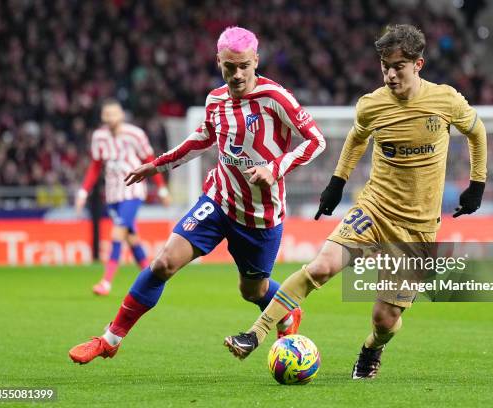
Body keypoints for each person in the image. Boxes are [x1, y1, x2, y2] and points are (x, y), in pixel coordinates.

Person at [224, 24, 488, 380]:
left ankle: (372, 349)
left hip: (416, 228)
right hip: (374, 209)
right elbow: (355, 139)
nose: (390, 75)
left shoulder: (446, 100)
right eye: (385, 66)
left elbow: (477, 131)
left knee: (385, 321)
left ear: (418, 64)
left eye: (399, 67)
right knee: (320, 267)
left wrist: (477, 182)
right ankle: (254, 334)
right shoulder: (371, 105)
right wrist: (337, 183)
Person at [69, 26, 326, 364]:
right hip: (218, 201)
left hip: (259, 216)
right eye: (229, 67)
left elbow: (316, 140)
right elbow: (201, 139)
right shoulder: (215, 100)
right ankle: (109, 339)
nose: (237, 74)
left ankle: (288, 313)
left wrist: (275, 168)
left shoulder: (275, 98)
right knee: (163, 263)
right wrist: (156, 166)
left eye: (244, 66)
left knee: (254, 291)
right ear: (218, 61)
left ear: (256, 62)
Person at [75, 99, 171, 296]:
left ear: (121, 115)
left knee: (117, 232)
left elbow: (150, 162)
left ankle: (106, 282)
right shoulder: (99, 137)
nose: (110, 118)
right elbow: (95, 167)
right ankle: (152, 277)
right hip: (112, 194)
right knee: (131, 237)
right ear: (103, 117)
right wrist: (83, 192)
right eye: (106, 115)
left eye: (113, 114)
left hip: (133, 191)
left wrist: (162, 189)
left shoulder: (135, 134)